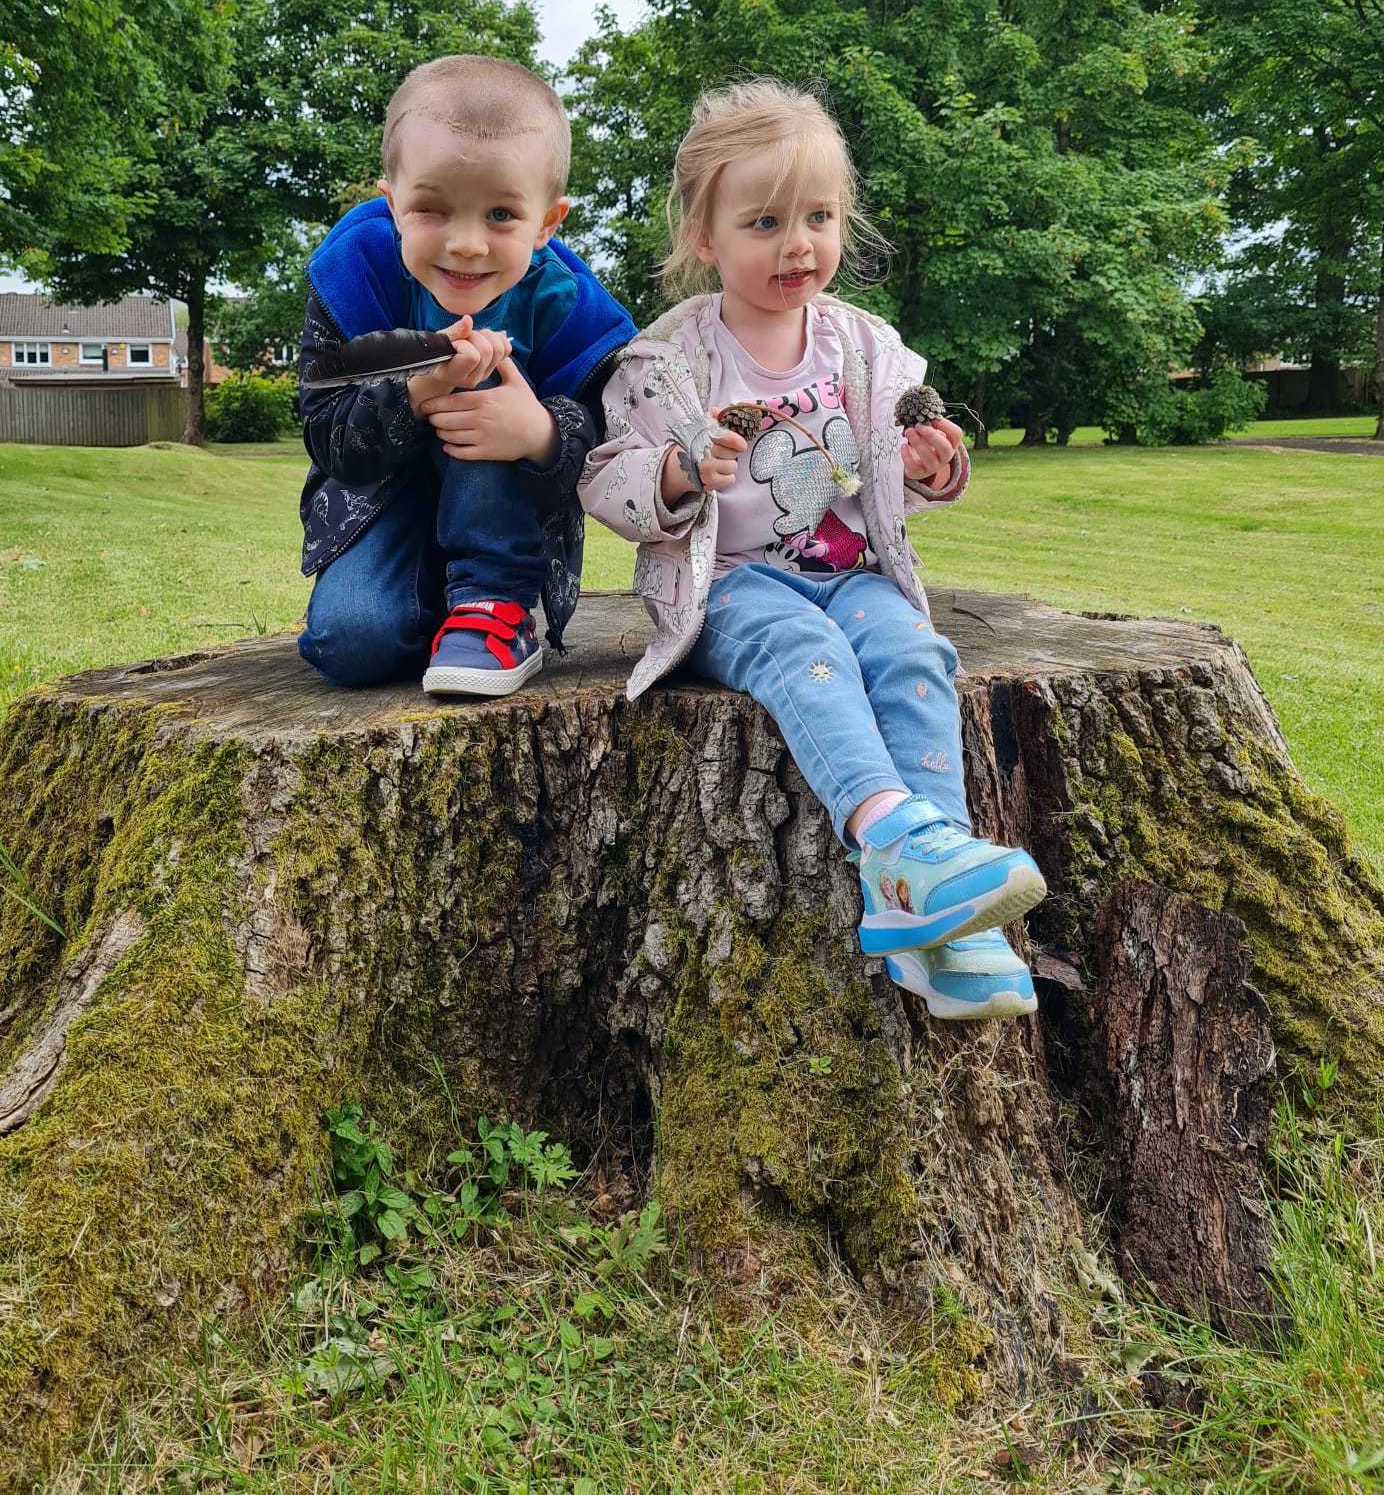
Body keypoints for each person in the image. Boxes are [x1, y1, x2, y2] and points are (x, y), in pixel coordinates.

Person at [579, 80, 1046, 1020]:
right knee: (810, 656)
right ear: (704, 237)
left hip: (848, 571)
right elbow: (604, 479)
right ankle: (888, 838)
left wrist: (928, 467)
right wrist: (676, 473)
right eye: (765, 222)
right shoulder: (670, 358)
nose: (799, 244)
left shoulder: (866, 348)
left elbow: (887, 479)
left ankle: (944, 913)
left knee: (914, 650)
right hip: (734, 584)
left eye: (819, 217)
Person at [297, 54, 636, 697]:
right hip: (378, 503)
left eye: (501, 215)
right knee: (351, 642)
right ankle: (424, 601)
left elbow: (613, 444)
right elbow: (324, 434)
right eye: (433, 210)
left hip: (502, 515)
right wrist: (415, 391)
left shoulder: (569, 307)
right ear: (392, 204)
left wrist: (539, 433)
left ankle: (489, 601)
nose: (467, 244)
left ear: (547, 222)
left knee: (485, 363)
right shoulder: (351, 278)